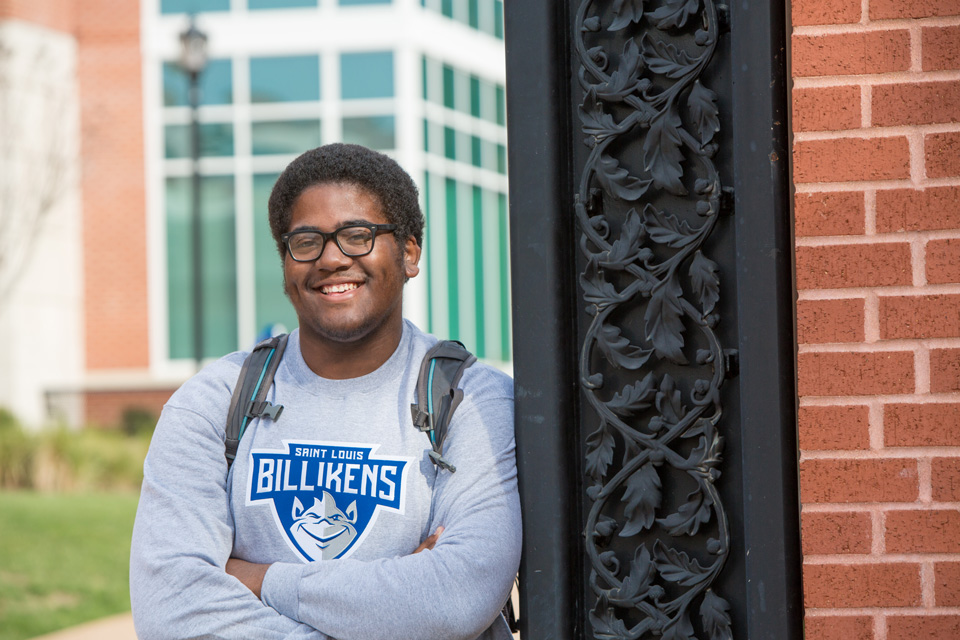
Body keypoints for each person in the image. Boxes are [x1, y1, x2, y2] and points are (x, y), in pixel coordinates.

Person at [130, 143, 521, 639]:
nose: (332, 259)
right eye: (307, 241)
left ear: (409, 252)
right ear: (286, 263)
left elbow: (456, 593)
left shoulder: (472, 400)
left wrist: (257, 578)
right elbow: (173, 613)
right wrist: (394, 608)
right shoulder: (213, 402)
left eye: (357, 236)